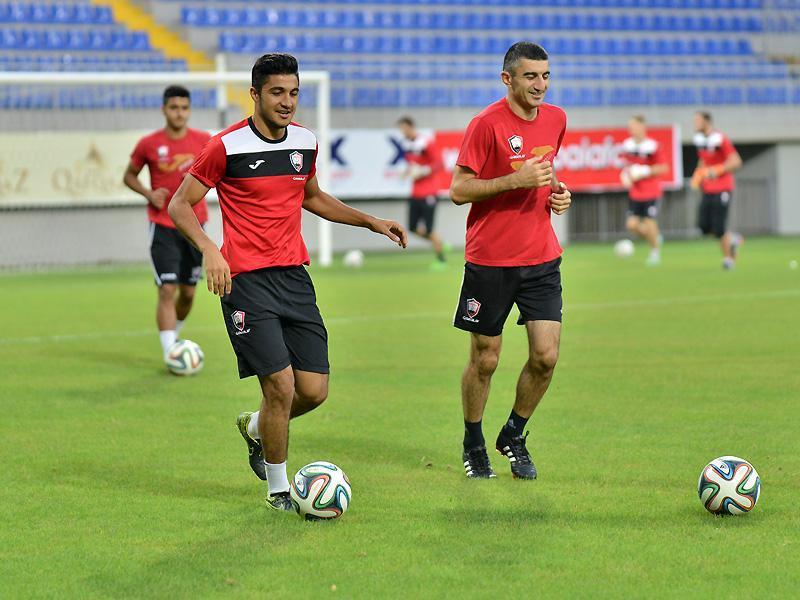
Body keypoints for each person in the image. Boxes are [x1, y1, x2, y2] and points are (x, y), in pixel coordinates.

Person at [168, 53, 408, 513]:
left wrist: (370, 221)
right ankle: (278, 491)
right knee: (279, 385)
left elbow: (312, 197)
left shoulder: (304, 141)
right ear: (255, 94)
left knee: (313, 391)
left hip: (294, 278)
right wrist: (211, 249)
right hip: (245, 282)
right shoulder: (225, 146)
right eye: (277, 92)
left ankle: (257, 427)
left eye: (294, 93)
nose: (287, 102)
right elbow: (180, 204)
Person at [449, 42, 572, 480]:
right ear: (508, 79)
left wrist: (558, 192)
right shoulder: (485, 124)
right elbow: (458, 190)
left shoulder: (556, 119)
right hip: (491, 261)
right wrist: (514, 180)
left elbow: (546, 171)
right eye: (530, 76)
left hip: (542, 258)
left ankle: (514, 434)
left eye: (545, 76)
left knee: (546, 356)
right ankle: (473, 441)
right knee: (485, 359)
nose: (540, 84)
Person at [123, 85, 211, 362]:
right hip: (162, 225)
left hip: (194, 226)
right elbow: (129, 176)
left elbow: (217, 175)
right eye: (174, 108)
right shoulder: (148, 144)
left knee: (188, 293)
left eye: (184, 108)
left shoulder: (204, 141)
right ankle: (170, 351)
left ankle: (175, 338)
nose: (179, 113)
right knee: (167, 289)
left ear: (189, 110)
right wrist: (148, 193)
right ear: (164, 110)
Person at [691, 111, 743, 270]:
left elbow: (736, 161)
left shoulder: (720, 139)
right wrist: (698, 174)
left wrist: (718, 170)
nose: (695, 123)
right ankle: (732, 239)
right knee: (704, 226)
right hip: (708, 189)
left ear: (707, 121)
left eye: (698, 120)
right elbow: (704, 160)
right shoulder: (699, 140)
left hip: (723, 188)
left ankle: (728, 259)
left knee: (719, 228)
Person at [396, 116, 447, 269]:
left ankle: (441, 260)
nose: (402, 132)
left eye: (404, 128)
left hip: (429, 192)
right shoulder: (406, 145)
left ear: (411, 127)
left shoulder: (425, 142)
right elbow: (413, 164)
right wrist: (407, 172)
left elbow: (439, 163)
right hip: (416, 193)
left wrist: (423, 171)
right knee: (412, 227)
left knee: (429, 229)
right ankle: (438, 242)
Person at [619, 115, 668, 266]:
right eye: (630, 126)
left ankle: (654, 253)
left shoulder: (652, 146)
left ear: (642, 126)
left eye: (634, 126)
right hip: (635, 192)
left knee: (649, 221)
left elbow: (663, 168)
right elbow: (627, 166)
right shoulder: (627, 145)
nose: (631, 129)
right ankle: (654, 237)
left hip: (651, 191)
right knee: (632, 225)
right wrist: (625, 175)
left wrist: (644, 171)